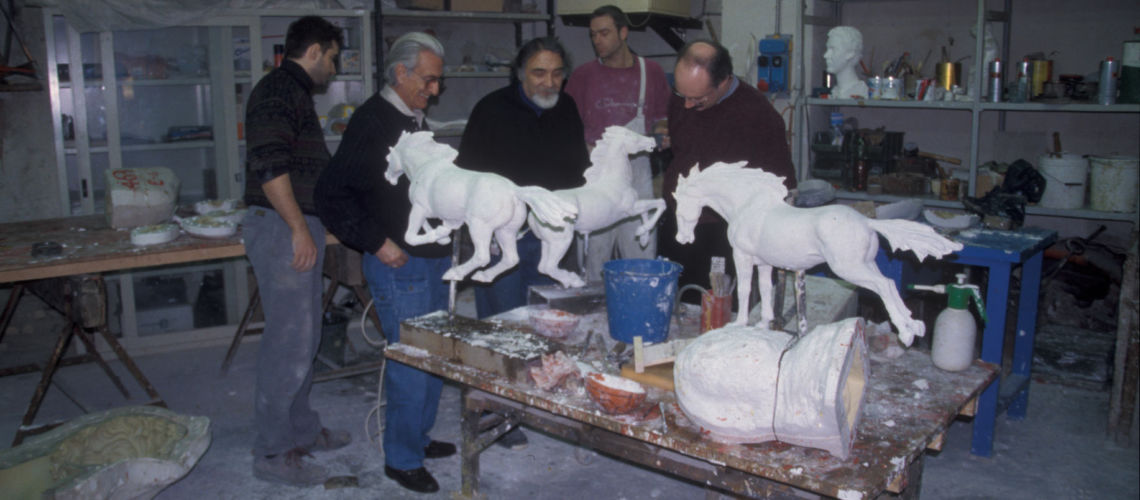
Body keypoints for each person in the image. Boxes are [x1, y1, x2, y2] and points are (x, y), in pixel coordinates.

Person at [313, 32, 454, 494]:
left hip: (431, 257)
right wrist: (377, 243)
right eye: (429, 81)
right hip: (400, 264)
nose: (434, 90)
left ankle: (419, 437)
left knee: (434, 356)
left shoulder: (412, 117)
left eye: (437, 82)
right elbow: (330, 195)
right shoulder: (374, 120)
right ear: (401, 72)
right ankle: (402, 458)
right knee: (412, 361)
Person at [455, 36, 590, 450]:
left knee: (543, 324)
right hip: (503, 235)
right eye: (538, 73)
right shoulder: (491, 111)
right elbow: (469, 180)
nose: (549, 82)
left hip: (549, 236)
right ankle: (496, 411)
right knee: (501, 325)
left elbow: (579, 171)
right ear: (520, 74)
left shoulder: (566, 108)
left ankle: (535, 402)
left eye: (556, 73)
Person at [242, 16, 349, 486]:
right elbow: (268, 165)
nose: (334, 66)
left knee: (303, 339)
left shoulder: (293, 91)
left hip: (296, 225)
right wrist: (297, 231)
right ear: (315, 51)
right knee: (287, 344)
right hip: (282, 227)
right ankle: (271, 453)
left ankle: (301, 429)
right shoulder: (278, 91)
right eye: (332, 56)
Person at [658, 39, 796, 302]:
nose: (686, 105)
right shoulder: (683, 98)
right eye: (681, 95)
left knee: (713, 313)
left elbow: (782, 187)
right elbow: (684, 148)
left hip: (722, 233)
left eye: (697, 99)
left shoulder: (758, 116)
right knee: (671, 305)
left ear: (723, 82)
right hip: (679, 222)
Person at [564, 4, 670, 282]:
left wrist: (662, 132)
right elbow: (566, 128)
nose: (598, 40)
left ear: (623, 32)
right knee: (593, 260)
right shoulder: (582, 77)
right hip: (597, 181)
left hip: (637, 177)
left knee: (641, 258)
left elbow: (661, 119)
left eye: (605, 33)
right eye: (593, 35)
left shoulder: (652, 72)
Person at [824, 26, 869, 99]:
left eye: (833, 49)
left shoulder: (858, 90)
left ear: (850, 53)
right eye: (828, 49)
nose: (826, 55)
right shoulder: (835, 91)